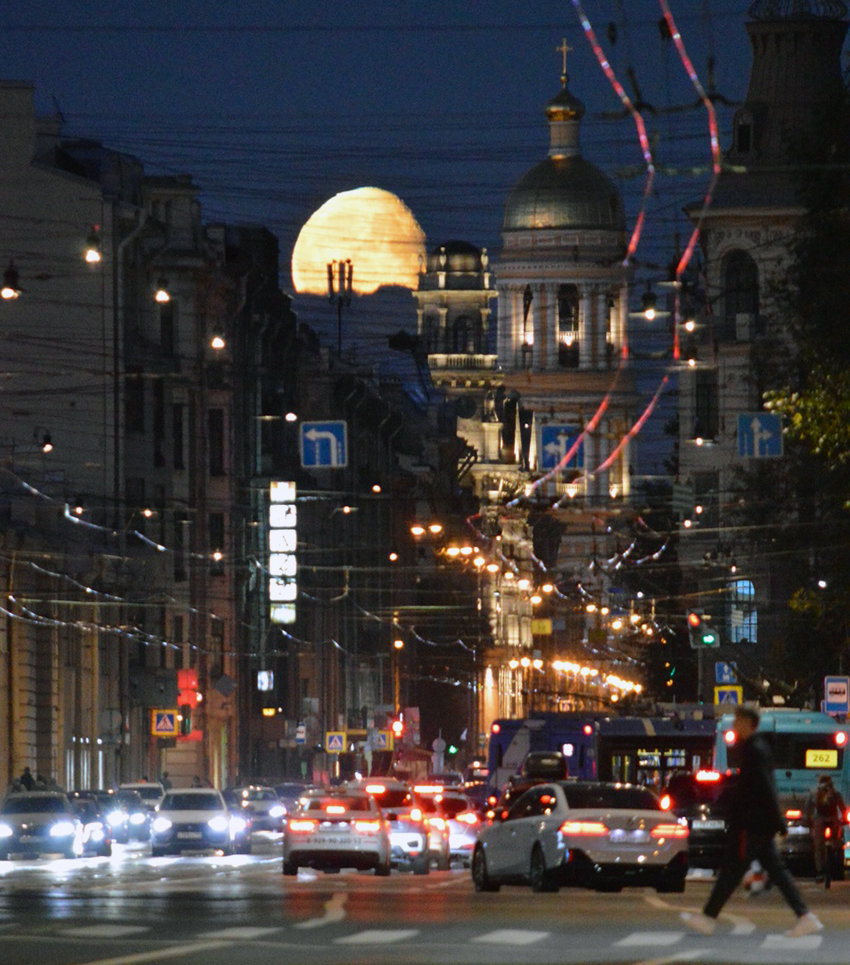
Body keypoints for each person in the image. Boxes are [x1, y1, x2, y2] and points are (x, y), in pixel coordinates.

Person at [682, 705, 822, 939]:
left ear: (749, 723)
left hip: (751, 824)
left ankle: (708, 918)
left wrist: (776, 821)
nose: (735, 725)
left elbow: (764, 788)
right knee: (773, 871)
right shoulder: (757, 747)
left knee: (731, 872)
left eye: (738, 721)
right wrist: (775, 821)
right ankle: (805, 916)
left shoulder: (754, 749)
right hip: (758, 823)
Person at [806, 773, 846, 882]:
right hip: (833, 820)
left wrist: (809, 820)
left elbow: (808, 807)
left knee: (819, 846)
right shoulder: (836, 793)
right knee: (836, 843)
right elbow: (842, 809)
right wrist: (843, 820)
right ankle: (835, 861)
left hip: (819, 820)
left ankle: (820, 871)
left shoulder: (814, 792)